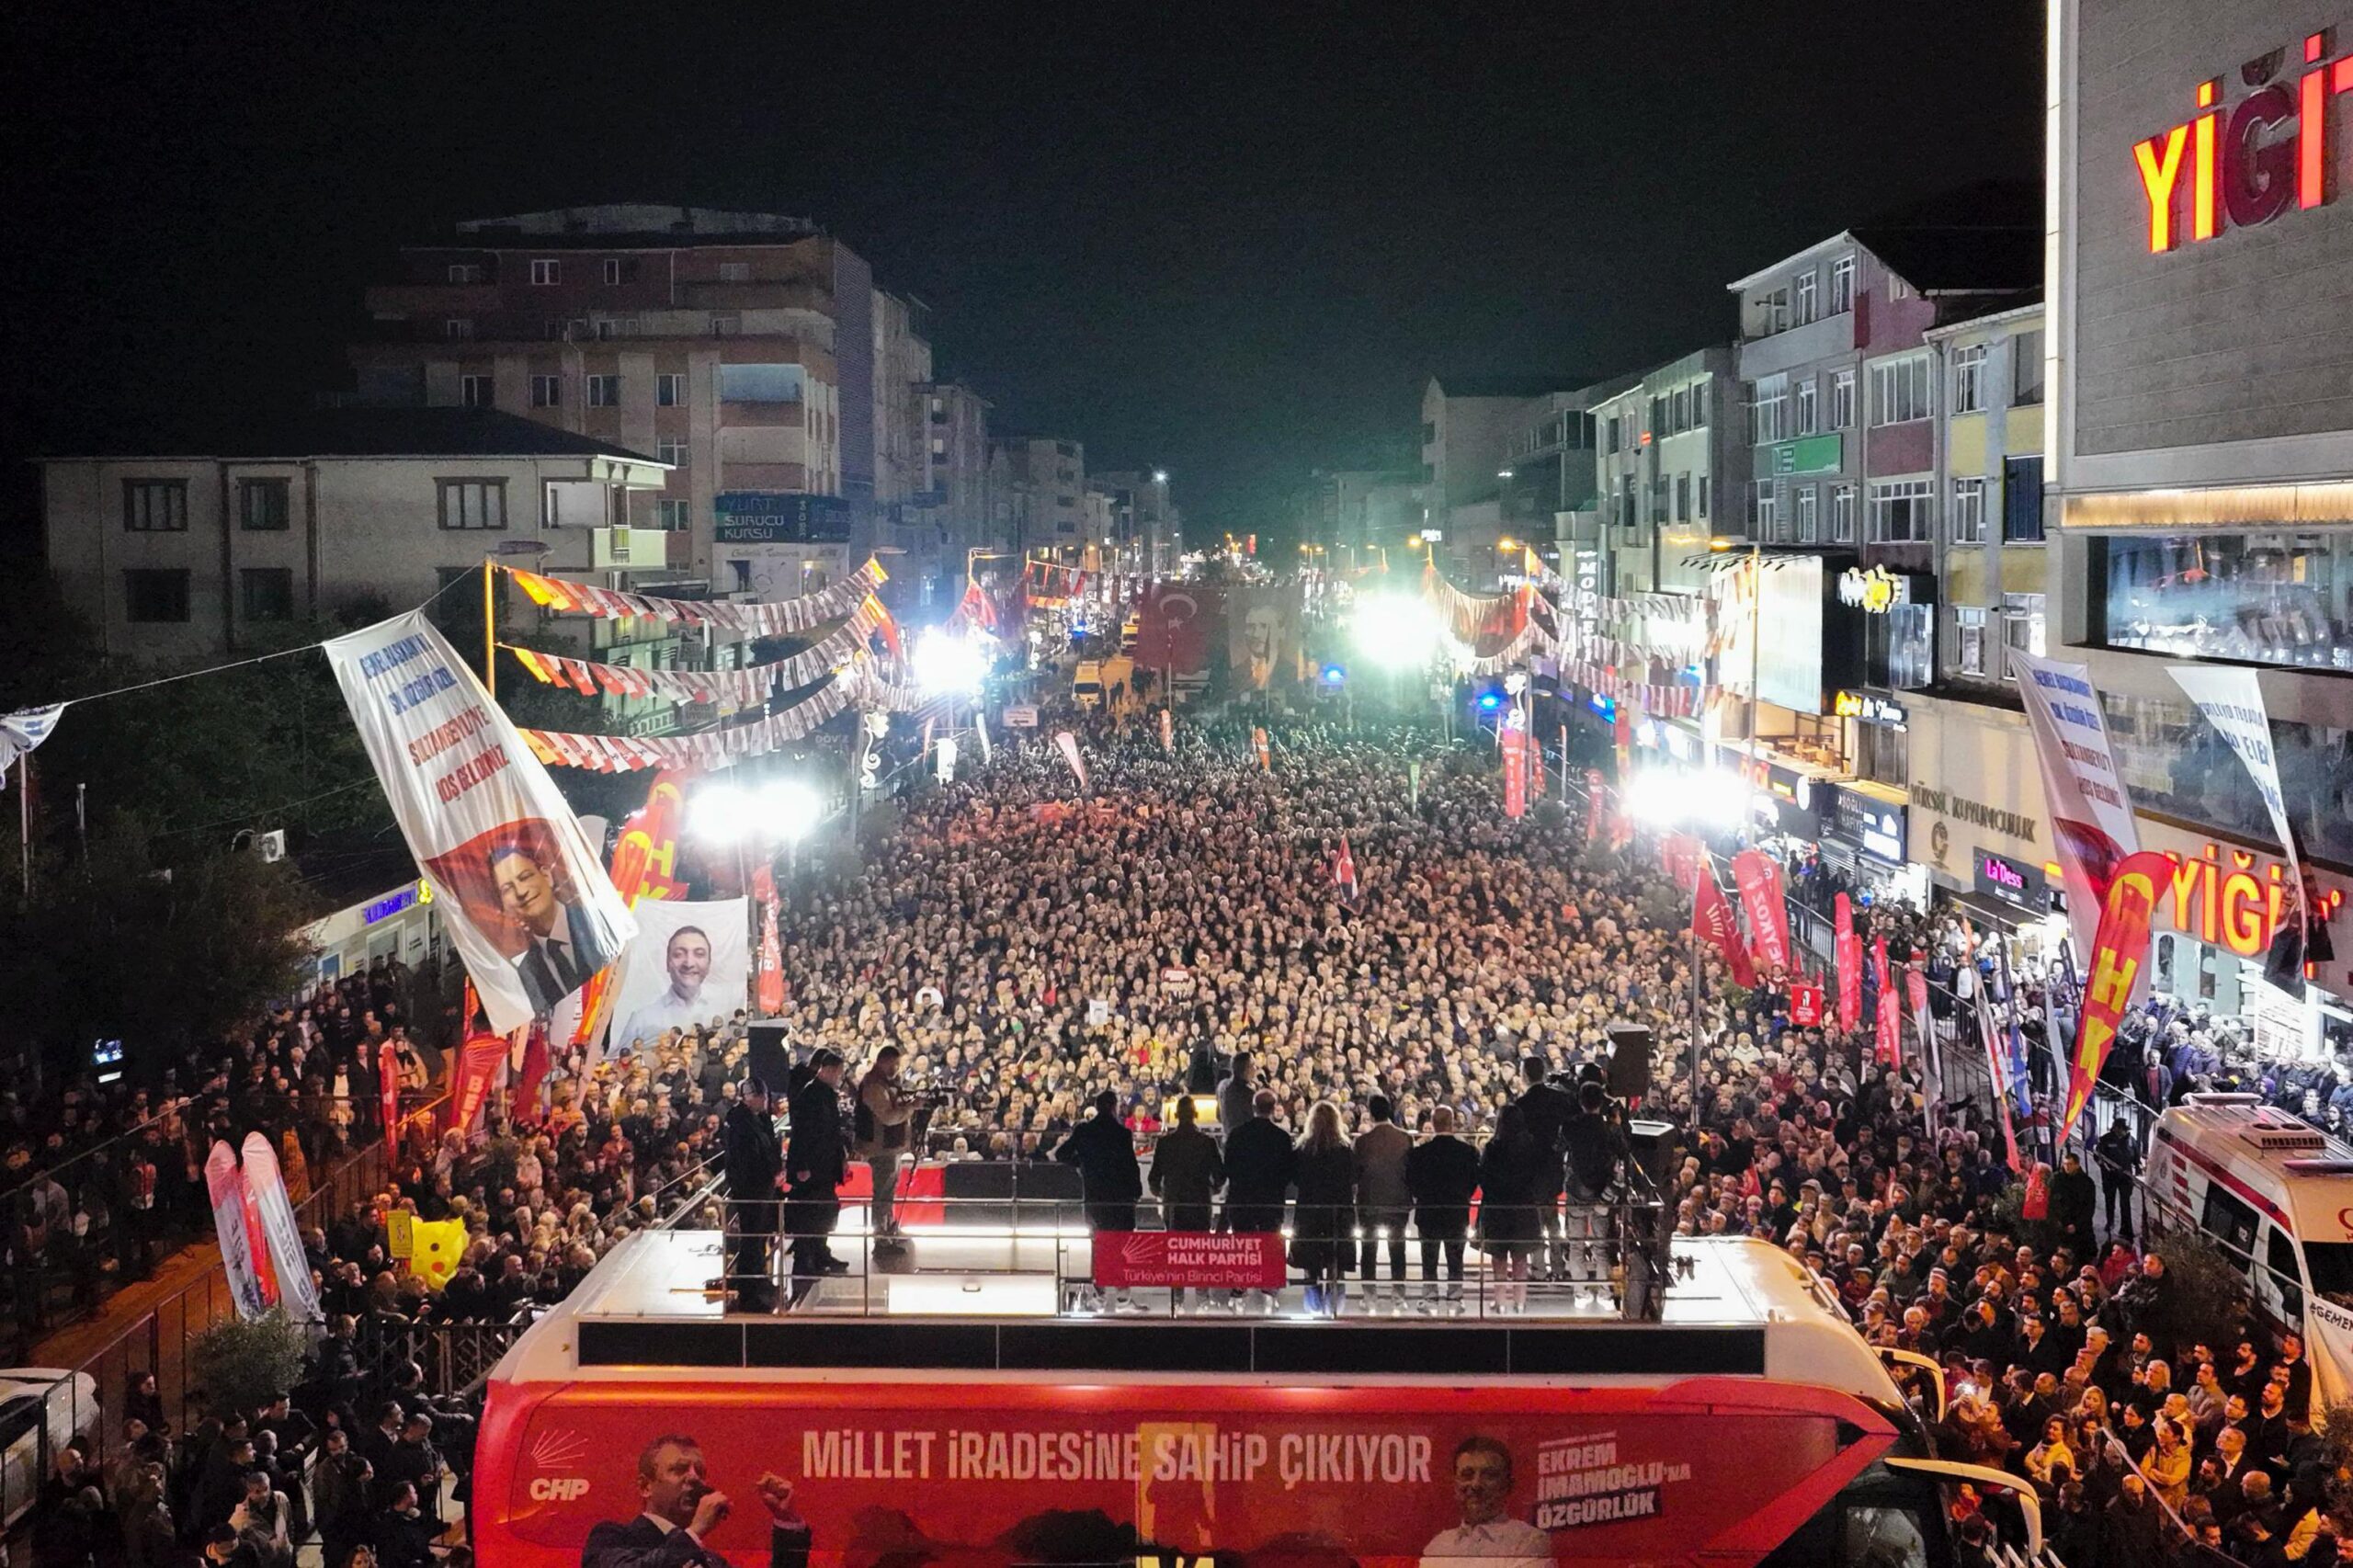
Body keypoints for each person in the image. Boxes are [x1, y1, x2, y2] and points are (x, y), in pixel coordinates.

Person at [580, 1434, 812, 1568]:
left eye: (699, 1471)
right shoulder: (612, 1538)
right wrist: (695, 1532)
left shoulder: (711, 1561)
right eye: (679, 1469)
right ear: (645, 1486)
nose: (693, 1477)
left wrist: (787, 1522)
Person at [492, 842, 622, 1013]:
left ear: (546, 876)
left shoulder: (601, 924)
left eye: (525, 877)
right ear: (503, 906)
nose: (521, 891)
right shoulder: (522, 973)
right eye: (507, 889)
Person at [1053, 1091, 1145, 1313]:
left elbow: (1061, 1154)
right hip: (1120, 1199)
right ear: (1114, 1107)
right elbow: (1130, 1167)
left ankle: (1099, 1297)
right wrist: (1136, 1192)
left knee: (1099, 1247)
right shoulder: (1122, 1133)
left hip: (1095, 1197)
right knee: (1121, 1248)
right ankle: (1123, 1298)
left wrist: (1082, 1165)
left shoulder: (1084, 1130)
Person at [1417, 1436, 1549, 1568]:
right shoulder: (1438, 1546)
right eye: (1467, 1475)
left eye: (1489, 1476)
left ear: (1508, 1485)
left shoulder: (1529, 1541)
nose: (1476, 1484)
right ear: (1455, 1485)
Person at [1222, 1089, 1296, 1312]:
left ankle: (1239, 1289)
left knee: (1242, 1244)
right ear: (1274, 1109)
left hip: (1242, 1199)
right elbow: (1288, 1173)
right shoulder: (1282, 1138)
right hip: (1270, 1200)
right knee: (1271, 1242)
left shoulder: (1237, 1134)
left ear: (1253, 1108)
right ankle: (1269, 1291)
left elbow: (1229, 1168)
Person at [784, 1051, 849, 1304]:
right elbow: (801, 1132)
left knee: (825, 1210)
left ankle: (820, 1252)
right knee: (810, 1212)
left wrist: (840, 1157)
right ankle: (806, 1258)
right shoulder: (810, 1095)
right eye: (839, 1073)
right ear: (829, 1070)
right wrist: (801, 1165)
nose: (840, 1078)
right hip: (811, 1167)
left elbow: (833, 1132)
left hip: (825, 1165)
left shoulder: (824, 1095)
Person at [1149, 1096, 1226, 1308]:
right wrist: (1212, 1189)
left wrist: (1161, 1195)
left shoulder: (1165, 1143)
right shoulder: (1208, 1143)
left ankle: (1177, 1301)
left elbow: (1153, 1178)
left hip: (1173, 1206)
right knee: (1200, 1252)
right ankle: (1202, 1298)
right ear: (1196, 1115)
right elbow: (1220, 1176)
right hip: (1200, 1205)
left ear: (1175, 1115)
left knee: (1175, 1254)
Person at [1407, 1106, 1480, 1312]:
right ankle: (1455, 1298)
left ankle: (1429, 1297)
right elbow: (1473, 1183)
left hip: (1429, 1211)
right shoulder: (1467, 1152)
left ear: (1434, 1123)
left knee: (1428, 1257)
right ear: (1452, 1123)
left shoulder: (1420, 1153)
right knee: (1455, 1257)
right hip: (1456, 1211)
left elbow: (1412, 1183)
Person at [723, 1077, 785, 1312]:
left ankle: (758, 1277)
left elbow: (769, 1146)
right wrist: (770, 1171)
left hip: (763, 1184)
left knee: (760, 1234)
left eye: (764, 1097)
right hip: (750, 1186)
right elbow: (747, 1157)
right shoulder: (738, 1120)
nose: (762, 1101)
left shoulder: (760, 1118)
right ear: (747, 1097)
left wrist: (775, 1172)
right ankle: (750, 1285)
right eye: (758, 1097)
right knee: (751, 1235)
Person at [1290, 1100, 1355, 1317]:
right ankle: (1334, 1306)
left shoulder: (1303, 1148)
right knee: (1336, 1261)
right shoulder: (1344, 1149)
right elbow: (1354, 1177)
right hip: (1338, 1212)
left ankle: (1314, 1306)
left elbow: (1296, 1179)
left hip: (1310, 1211)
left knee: (1311, 1262)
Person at [1479, 1103, 1545, 1313]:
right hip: (1523, 1208)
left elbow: (1484, 1178)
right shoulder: (1531, 1147)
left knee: (1498, 1258)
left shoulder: (1492, 1147)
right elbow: (1537, 1176)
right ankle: (1520, 1302)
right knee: (1520, 1257)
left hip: (1498, 1208)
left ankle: (1500, 1303)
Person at [617, 927, 724, 1052]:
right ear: (668, 963)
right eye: (679, 954)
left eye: (699, 954)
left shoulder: (723, 1009)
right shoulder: (642, 1019)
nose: (689, 963)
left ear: (709, 964)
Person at [1353, 1094, 1413, 1307]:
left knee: (1369, 1250)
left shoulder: (1362, 1142)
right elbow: (1410, 1172)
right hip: (1398, 1202)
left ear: (1370, 1113)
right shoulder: (1405, 1138)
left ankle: (1369, 1296)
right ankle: (1399, 1295)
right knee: (1398, 1249)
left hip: (1369, 1203)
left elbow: (1356, 1174)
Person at [854, 1047, 915, 1247]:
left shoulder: (888, 1084)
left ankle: (889, 1227)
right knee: (882, 1193)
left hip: (890, 1146)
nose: (897, 1069)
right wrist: (911, 1108)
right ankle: (881, 1236)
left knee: (888, 1192)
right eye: (894, 1064)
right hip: (880, 1146)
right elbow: (888, 1116)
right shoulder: (874, 1086)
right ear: (883, 1062)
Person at [2048, 1151, 2097, 1255]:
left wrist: (2076, 1224)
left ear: (2077, 1165)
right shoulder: (2056, 1179)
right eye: (2065, 1164)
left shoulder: (2087, 1183)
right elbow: (2052, 1203)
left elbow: (2089, 1207)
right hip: (2061, 1224)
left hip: (2080, 1226)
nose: (2067, 1167)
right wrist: (2063, 1221)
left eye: (2070, 1164)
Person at [1216, 1051, 1257, 1141]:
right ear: (1246, 1068)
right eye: (1253, 1065)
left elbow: (1218, 1115)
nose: (1256, 1068)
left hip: (1228, 1140)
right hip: (1244, 1142)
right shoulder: (1247, 1093)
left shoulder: (1222, 1086)